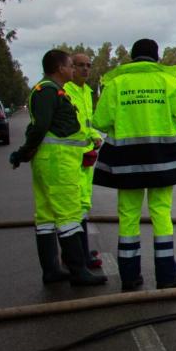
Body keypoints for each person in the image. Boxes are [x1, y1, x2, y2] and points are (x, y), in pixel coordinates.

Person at [93, 39, 176, 290]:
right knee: (161, 214)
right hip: (163, 161)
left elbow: (100, 121)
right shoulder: (169, 82)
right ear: (157, 57)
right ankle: (166, 276)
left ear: (131, 57)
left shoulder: (116, 84)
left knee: (128, 217)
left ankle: (129, 277)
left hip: (126, 162)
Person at [8, 50, 107, 287]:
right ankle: (78, 271)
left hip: (52, 161)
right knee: (70, 215)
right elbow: (40, 126)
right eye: (71, 65)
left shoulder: (54, 91)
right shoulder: (48, 91)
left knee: (46, 217)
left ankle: (52, 270)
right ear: (60, 68)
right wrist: (24, 152)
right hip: (58, 163)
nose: (74, 69)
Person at [64, 51, 105, 269]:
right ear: (70, 67)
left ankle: (80, 253)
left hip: (85, 157)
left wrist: (95, 136)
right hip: (70, 158)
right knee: (72, 208)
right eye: (80, 65)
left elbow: (86, 124)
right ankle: (76, 258)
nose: (85, 69)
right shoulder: (65, 91)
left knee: (81, 205)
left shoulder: (87, 92)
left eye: (89, 65)